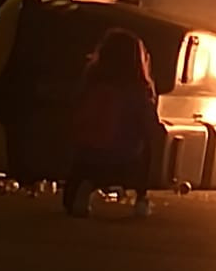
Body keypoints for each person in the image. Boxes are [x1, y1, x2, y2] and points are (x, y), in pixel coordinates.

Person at [64, 28, 163, 218]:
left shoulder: (91, 83)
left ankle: (85, 185)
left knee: (85, 162)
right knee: (147, 145)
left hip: (88, 152)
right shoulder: (137, 90)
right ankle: (141, 198)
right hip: (124, 155)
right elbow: (149, 125)